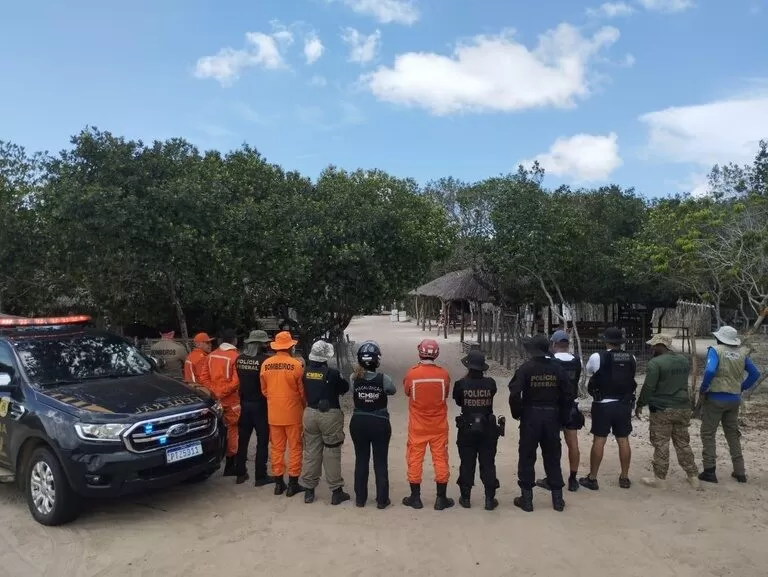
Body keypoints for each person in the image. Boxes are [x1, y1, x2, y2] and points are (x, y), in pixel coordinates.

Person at [508, 335, 573, 512]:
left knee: (527, 456)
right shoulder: (557, 368)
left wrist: (517, 413)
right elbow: (568, 394)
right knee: (553, 456)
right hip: (552, 416)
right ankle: (557, 500)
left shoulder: (525, 368)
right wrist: (563, 417)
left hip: (531, 416)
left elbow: (514, 393)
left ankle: (527, 499)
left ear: (531, 350)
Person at [697, 325, 761, 484]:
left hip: (715, 398)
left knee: (708, 433)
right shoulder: (741, 353)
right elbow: (755, 373)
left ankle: (709, 471)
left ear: (719, 338)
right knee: (732, 434)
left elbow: (710, 371)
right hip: (734, 399)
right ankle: (740, 472)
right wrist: (741, 387)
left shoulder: (715, 350)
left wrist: (704, 388)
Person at [635, 334, 699, 489]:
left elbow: (649, 386)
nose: (652, 348)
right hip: (683, 407)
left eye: (654, 345)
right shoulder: (683, 360)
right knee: (683, 443)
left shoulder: (655, 363)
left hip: (662, 408)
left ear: (661, 346)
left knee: (661, 443)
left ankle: (660, 478)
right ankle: (693, 476)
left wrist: (640, 403)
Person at [579, 327, 637, 491]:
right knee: (623, 439)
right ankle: (624, 477)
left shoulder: (597, 357)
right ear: (621, 342)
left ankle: (592, 478)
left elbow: (589, 370)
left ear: (606, 341)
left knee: (599, 439)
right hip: (624, 404)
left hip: (602, 404)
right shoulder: (631, 357)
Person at [402, 339, 454, 511]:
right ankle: (441, 499)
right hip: (439, 426)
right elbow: (445, 395)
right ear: (436, 354)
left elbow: (407, 392)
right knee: (440, 459)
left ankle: (415, 498)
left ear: (420, 352)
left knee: (414, 459)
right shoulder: (443, 375)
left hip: (417, 426)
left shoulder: (412, 374)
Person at [300, 340, 351, 505]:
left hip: (310, 413)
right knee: (332, 452)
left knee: (311, 451)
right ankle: (336, 491)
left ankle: (309, 490)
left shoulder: (305, 372)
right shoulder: (332, 374)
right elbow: (344, 388)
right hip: (330, 415)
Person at [453, 350, 504, 511]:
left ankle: (465, 498)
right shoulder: (490, 383)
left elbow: (459, 402)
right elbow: (492, 394)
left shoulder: (460, 384)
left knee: (467, 463)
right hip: (488, 429)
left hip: (466, 429)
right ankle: (489, 499)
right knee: (488, 463)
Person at [535, 330, 584, 493]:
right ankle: (573, 479)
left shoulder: (550, 361)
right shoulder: (577, 361)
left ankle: (552, 478)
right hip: (571, 406)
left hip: (554, 407)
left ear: (553, 344)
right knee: (573, 444)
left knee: (552, 445)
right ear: (567, 344)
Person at [349, 341, 396, 509]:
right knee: (380, 461)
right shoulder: (384, 379)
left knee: (361, 460)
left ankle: (360, 499)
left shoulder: (354, 378)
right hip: (379, 423)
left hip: (358, 422)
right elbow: (392, 390)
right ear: (377, 361)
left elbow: (352, 391)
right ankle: (382, 500)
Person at [260, 331, 306, 496]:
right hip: (293, 413)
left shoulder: (266, 364)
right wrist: (303, 406)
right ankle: (293, 483)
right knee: (295, 448)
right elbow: (302, 392)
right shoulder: (296, 365)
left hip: (274, 413)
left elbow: (264, 390)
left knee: (277, 448)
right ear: (290, 347)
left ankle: (279, 484)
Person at [200, 329, 241, 476]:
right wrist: (222, 392)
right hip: (231, 401)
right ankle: (231, 464)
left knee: (216, 429)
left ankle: (216, 457)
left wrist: (215, 391)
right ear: (234, 340)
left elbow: (203, 378)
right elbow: (236, 382)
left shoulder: (211, 356)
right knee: (232, 430)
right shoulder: (236, 357)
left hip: (215, 400)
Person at [234, 330, 272, 486]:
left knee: (243, 439)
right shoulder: (265, 361)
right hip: (260, 405)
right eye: (265, 343)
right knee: (262, 441)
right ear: (260, 344)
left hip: (244, 403)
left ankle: (240, 473)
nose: (266, 345)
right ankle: (260, 476)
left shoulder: (239, 359)